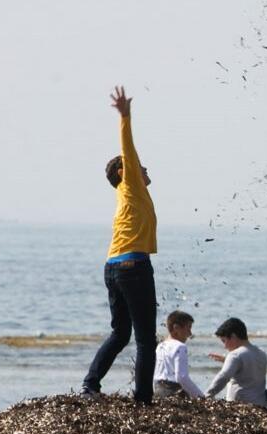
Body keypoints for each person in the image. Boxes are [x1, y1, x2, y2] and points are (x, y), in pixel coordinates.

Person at [81, 86, 159, 403]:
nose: (145, 169)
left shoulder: (126, 198)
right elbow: (128, 149)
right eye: (139, 167)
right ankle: (143, 400)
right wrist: (125, 116)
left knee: (120, 333)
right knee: (145, 340)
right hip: (133, 267)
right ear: (124, 172)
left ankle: (90, 384)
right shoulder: (131, 187)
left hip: (113, 267)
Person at [204, 318, 267, 407]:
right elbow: (249, 369)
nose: (225, 346)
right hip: (262, 406)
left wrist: (207, 395)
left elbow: (223, 377)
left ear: (233, 336)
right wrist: (227, 360)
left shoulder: (235, 355)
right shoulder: (261, 353)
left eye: (224, 341)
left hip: (241, 407)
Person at [152, 311, 204, 399]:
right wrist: (200, 397)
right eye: (188, 328)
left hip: (158, 390)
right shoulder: (180, 347)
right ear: (176, 328)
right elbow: (182, 377)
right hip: (173, 391)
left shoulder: (160, 346)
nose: (190, 333)